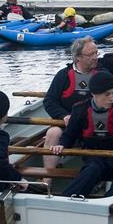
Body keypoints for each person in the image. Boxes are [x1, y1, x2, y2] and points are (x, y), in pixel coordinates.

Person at [51, 71, 113, 197]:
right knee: (92, 169)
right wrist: (61, 145)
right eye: (107, 94)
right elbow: (69, 135)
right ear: (94, 94)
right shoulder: (79, 109)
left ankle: (111, 200)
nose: (111, 98)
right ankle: (66, 199)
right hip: (94, 157)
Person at [43, 37, 101, 178]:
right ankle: (47, 180)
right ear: (78, 57)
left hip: (93, 124)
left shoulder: (102, 75)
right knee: (52, 133)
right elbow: (49, 101)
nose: (95, 57)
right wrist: (64, 115)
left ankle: (95, 174)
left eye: (96, 53)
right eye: (91, 54)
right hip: (68, 124)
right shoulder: (63, 75)